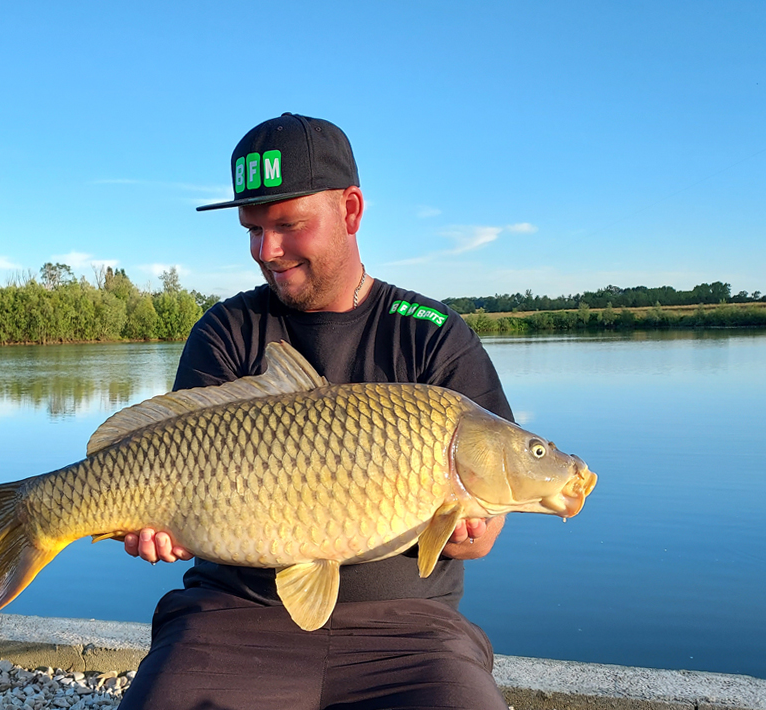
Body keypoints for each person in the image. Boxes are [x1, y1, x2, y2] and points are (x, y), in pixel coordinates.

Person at [116, 113, 514, 710]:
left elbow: (482, 539)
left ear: (351, 210)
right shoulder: (227, 330)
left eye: (287, 225)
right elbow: (173, 477)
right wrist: (155, 525)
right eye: (253, 229)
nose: (266, 251)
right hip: (232, 617)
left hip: (408, 631)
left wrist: (465, 530)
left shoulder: (434, 335)